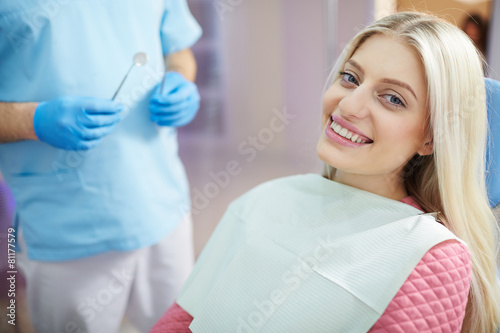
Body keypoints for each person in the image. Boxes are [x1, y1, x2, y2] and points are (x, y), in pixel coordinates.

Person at [150, 12, 500, 333]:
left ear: (430, 137)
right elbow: (182, 319)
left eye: (392, 98)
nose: (348, 105)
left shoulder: (430, 257)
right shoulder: (266, 198)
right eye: (350, 78)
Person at [0, 1, 202, 332]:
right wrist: (32, 120)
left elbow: (179, 52)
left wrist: (181, 81)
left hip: (164, 207)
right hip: (64, 231)